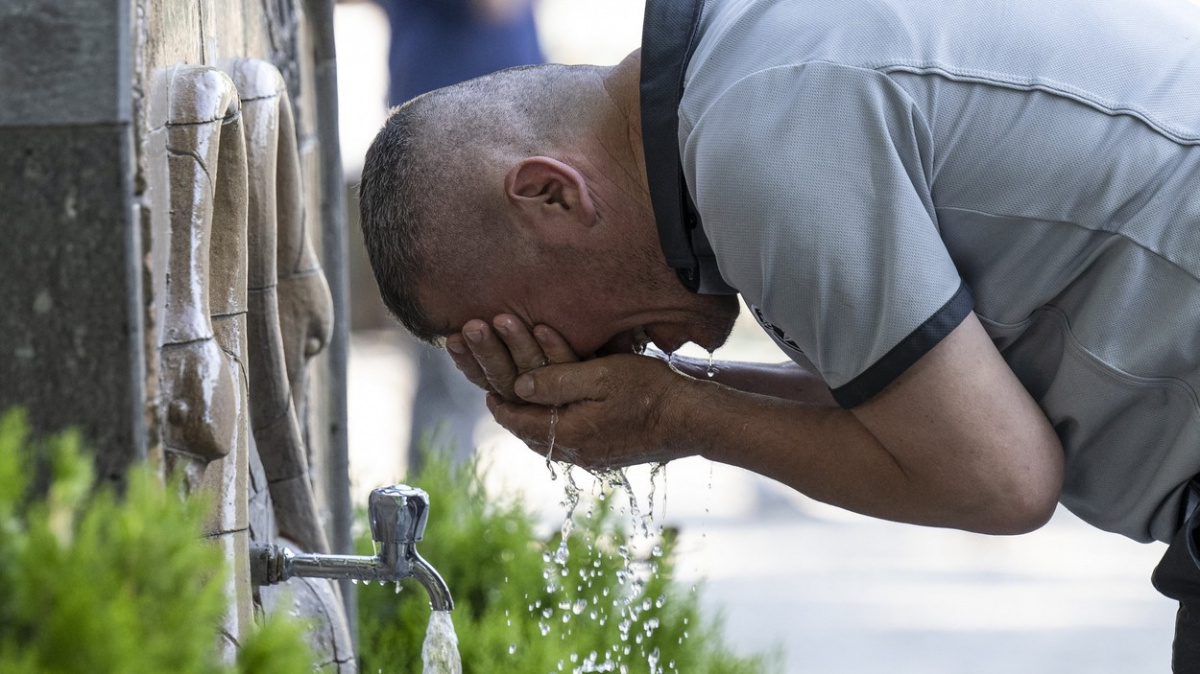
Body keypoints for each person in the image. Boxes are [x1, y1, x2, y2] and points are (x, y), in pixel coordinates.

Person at [357, 0, 1200, 668]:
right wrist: (671, 403)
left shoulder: (757, 135)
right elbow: (927, 414)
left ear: (551, 194)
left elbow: (997, 478)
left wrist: (672, 416)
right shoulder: (741, 57)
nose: (582, 359)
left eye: (529, 327)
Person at [377, 0, 544, 463]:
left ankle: (439, 513)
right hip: (457, 167)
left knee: (465, 372)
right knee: (460, 362)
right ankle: (435, 523)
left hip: (484, 154)